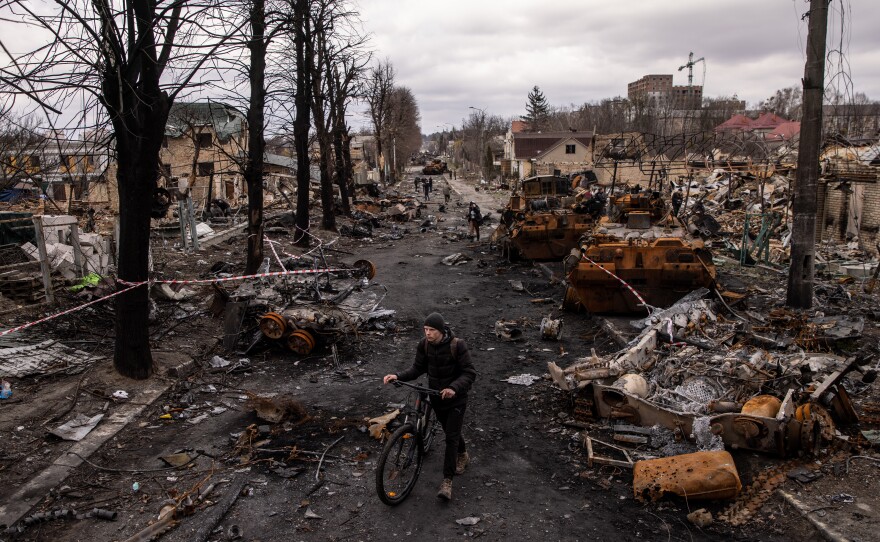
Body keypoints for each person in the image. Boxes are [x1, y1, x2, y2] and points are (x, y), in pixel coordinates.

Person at [383, 313, 476, 501]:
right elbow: (417, 368)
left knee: (450, 437)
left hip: (456, 399)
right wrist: (398, 376)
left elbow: (469, 373)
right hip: (436, 397)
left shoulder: (458, 345)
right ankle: (463, 453)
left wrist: (453, 388)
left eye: (432, 330)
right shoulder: (424, 345)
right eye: (425, 330)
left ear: (441, 331)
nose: (428, 333)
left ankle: (447, 481)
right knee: (451, 431)